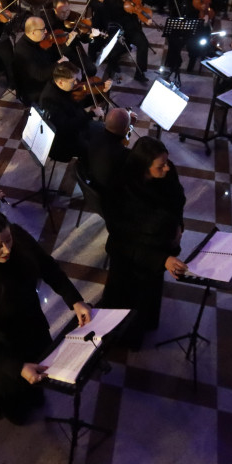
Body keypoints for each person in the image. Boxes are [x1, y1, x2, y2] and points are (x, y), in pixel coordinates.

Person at [0, 210, 92, 424]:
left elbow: (48, 267)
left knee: (39, 384)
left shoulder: (19, 239)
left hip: (34, 332)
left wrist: (74, 300)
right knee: (18, 407)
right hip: (4, 352)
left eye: (8, 240)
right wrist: (17, 367)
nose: (7, 249)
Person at [100, 137, 186, 345]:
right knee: (130, 302)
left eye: (167, 162)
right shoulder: (119, 191)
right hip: (130, 261)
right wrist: (162, 259)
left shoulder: (167, 172)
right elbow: (125, 240)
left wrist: (178, 226)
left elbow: (178, 199)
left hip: (158, 248)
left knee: (150, 294)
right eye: (160, 166)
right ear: (143, 167)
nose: (167, 168)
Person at [39, 62, 109, 161]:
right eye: (73, 81)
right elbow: (66, 127)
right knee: (94, 150)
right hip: (67, 139)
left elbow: (79, 104)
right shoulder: (49, 101)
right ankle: (85, 169)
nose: (77, 83)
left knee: (106, 130)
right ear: (61, 82)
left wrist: (102, 92)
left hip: (80, 124)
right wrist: (91, 114)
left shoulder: (64, 87)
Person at [101, 0, 150, 83]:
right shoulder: (110, 0)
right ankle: (112, 64)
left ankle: (140, 73)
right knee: (118, 49)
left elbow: (136, 13)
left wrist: (140, 13)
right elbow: (107, 20)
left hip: (132, 29)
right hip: (118, 32)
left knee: (143, 44)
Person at [13, 16, 62, 104]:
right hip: (35, 87)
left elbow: (49, 57)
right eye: (43, 29)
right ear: (33, 32)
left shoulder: (38, 40)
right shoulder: (23, 50)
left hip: (45, 74)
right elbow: (40, 76)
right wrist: (58, 64)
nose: (46, 31)